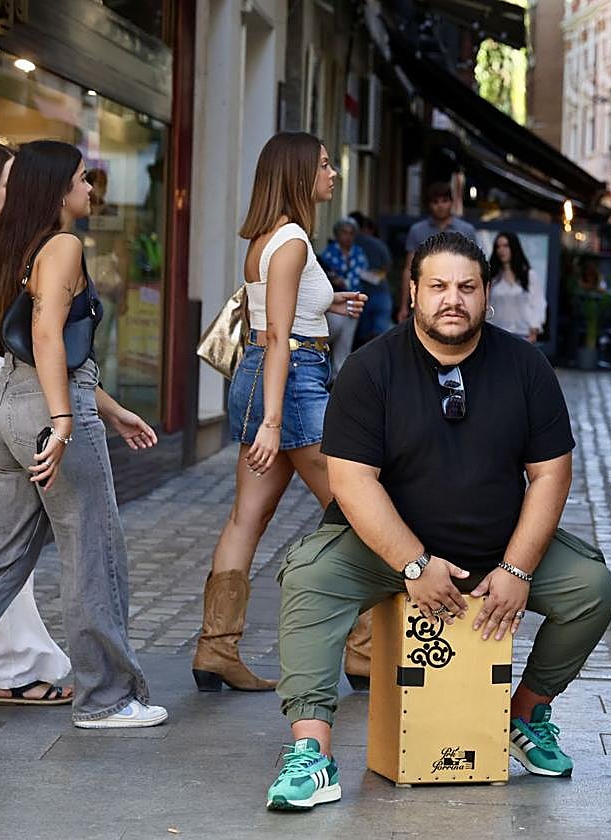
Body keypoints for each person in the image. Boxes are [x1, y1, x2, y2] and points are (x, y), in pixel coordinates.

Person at [265, 231, 611, 811]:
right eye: (438, 286)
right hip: (385, 549)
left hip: (495, 545)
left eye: (466, 287)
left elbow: (551, 475)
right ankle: (312, 753)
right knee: (307, 578)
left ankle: (522, 715)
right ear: (413, 293)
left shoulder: (526, 367)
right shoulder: (370, 367)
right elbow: (352, 481)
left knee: (592, 590)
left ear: (487, 297)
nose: (452, 299)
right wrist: (413, 563)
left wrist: (518, 568)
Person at [0, 139, 164, 728]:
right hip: (46, 414)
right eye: (83, 179)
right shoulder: (62, 245)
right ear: (59, 188)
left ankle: (106, 693)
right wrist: (64, 422)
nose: (90, 189)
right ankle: (107, 699)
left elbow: (30, 349)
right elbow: (48, 335)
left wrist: (105, 408)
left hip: (5, 405)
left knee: (1, 558)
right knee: (93, 552)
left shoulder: (9, 245)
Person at [192, 132, 366, 694]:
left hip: (265, 378)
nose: (333, 172)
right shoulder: (291, 240)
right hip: (291, 384)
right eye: (322, 164)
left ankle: (215, 651)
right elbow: (279, 337)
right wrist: (272, 423)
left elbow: (273, 312)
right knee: (356, 511)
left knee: (247, 518)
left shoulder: (266, 239)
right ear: (297, 174)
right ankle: (364, 654)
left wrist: (330, 301)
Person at [0, 139, 72, 707]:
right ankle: (18, 669)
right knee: (0, 544)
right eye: (7, 181)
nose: (15, 192)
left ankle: (21, 664)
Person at [396, 181, 477, 323]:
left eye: (444, 201)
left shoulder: (466, 230)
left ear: (451, 202)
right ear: (429, 205)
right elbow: (409, 269)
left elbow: (475, 268)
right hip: (426, 292)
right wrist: (404, 305)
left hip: (459, 291)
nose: (440, 206)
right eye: (435, 202)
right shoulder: (417, 230)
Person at [319, 217, 370, 378]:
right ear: (337, 234)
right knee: (331, 331)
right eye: (344, 233)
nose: (347, 236)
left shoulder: (358, 252)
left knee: (346, 341)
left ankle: (338, 376)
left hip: (353, 299)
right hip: (335, 299)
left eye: (351, 233)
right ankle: (323, 370)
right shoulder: (329, 251)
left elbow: (363, 273)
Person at [487, 230, 545, 342]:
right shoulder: (492, 277)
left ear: (513, 247)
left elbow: (538, 303)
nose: (501, 250)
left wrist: (534, 329)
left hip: (524, 334)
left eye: (505, 246)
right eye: (498, 247)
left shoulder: (528, 275)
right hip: (497, 335)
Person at [348, 210, 393, 345]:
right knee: (381, 336)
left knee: (363, 338)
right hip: (381, 292)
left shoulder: (350, 245)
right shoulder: (378, 244)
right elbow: (387, 266)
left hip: (360, 295)